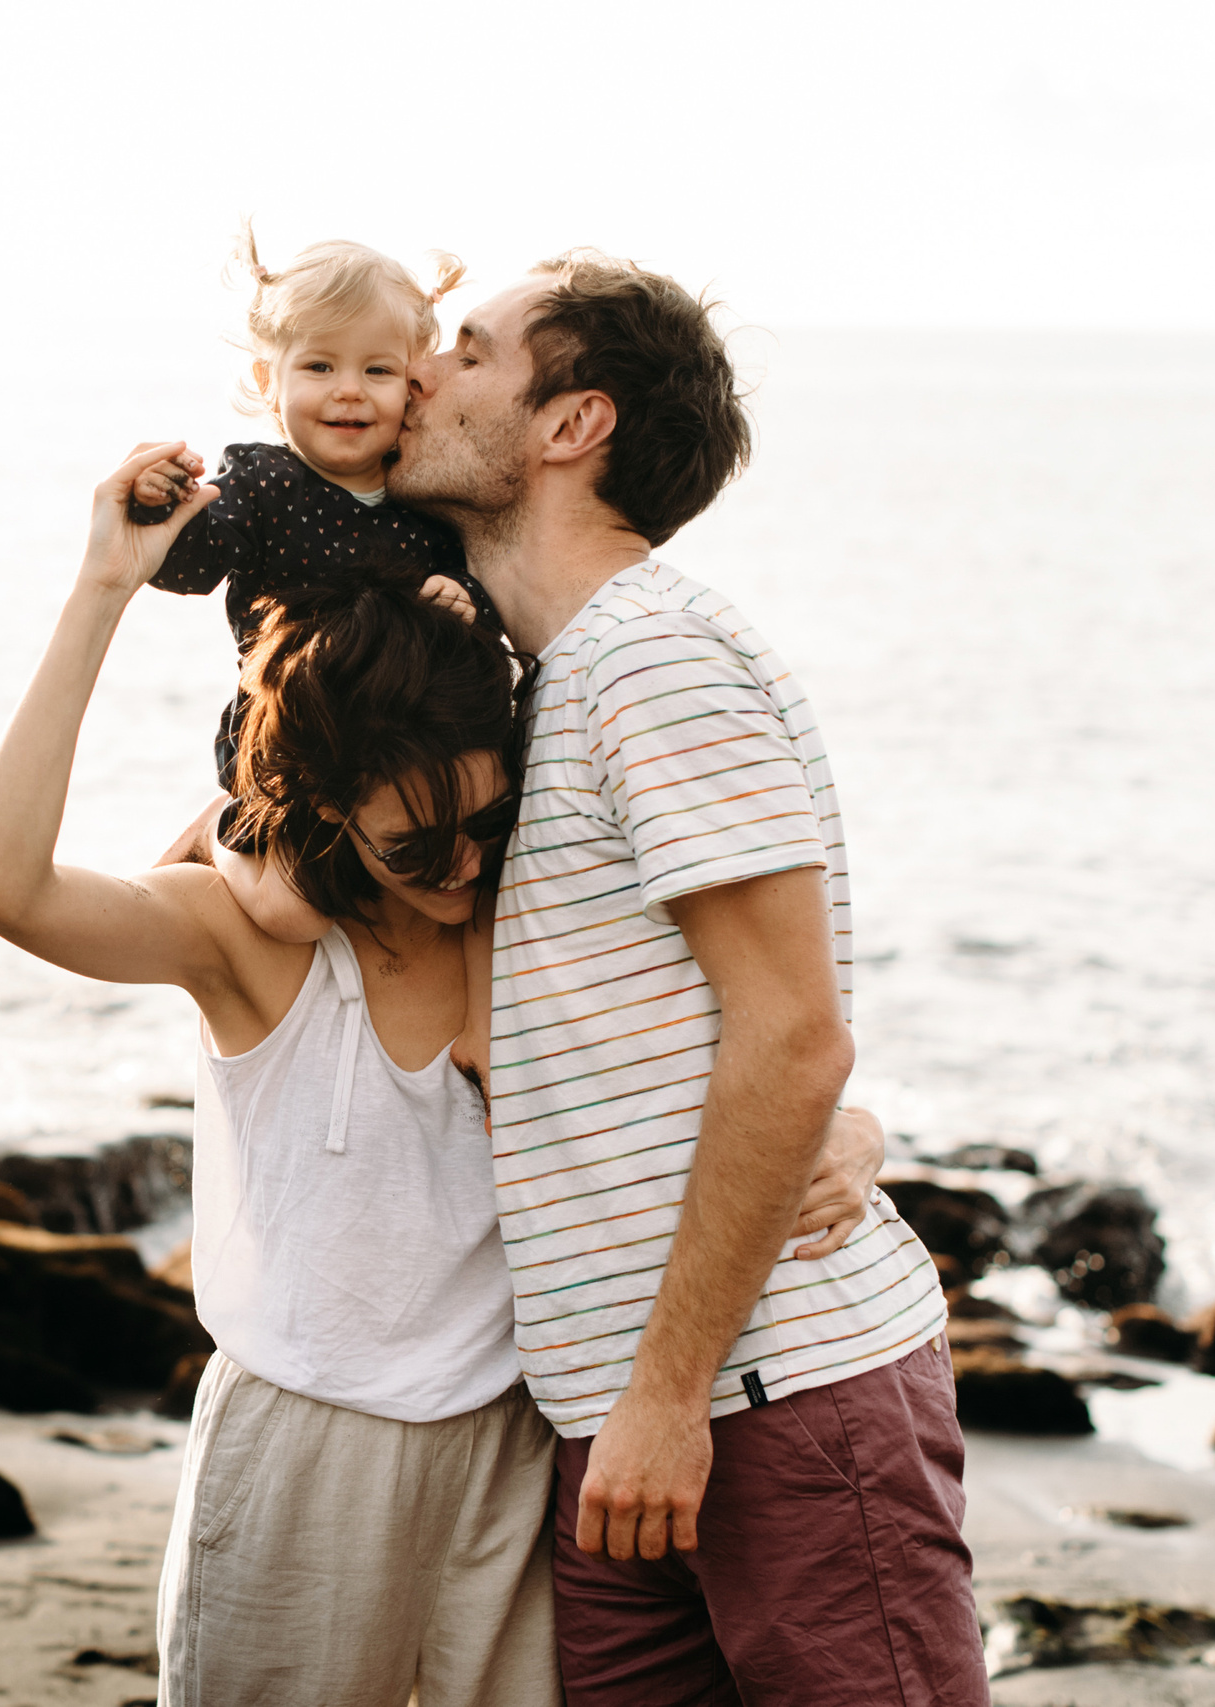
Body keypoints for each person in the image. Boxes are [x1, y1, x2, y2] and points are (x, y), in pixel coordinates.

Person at [0, 444, 889, 1707]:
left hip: (516, 1450)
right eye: (411, 844)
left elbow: (740, 1054)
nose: (459, 868)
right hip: (300, 1449)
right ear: (327, 812)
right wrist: (100, 593)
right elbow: (2, 888)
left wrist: (852, 1131)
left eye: (486, 825)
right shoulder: (247, 944)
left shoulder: (534, 934)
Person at [387, 256, 989, 1704]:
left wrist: (666, 1401)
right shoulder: (546, 676)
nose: (418, 374)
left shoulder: (656, 659)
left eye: (467, 352)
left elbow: (793, 1037)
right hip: (625, 1414)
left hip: (768, 1397)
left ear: (568, 423)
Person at [129, 224, 489, 943]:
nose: (349, 392)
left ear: (413, 384)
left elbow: (479, 588)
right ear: (270, 381)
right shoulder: (262, 484)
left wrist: (464, 600)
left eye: (378, 372)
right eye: (320, 367)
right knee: (293, 915)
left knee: (465, 885)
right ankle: (220, 839)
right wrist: (156, 502)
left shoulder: (426, 498)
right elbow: (186, 566)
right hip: (291, 741)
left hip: (403, 744)